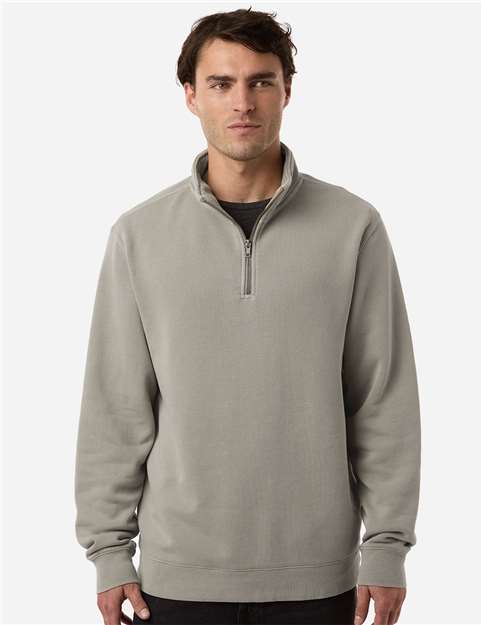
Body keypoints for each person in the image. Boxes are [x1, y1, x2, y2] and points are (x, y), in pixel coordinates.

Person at [74, 7, 421, 625]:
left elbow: (382, 397)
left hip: (320, 577)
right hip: (175, 577)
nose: (243, 102)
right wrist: (109, 552)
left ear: (287, 91)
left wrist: (387, 546)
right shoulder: (139, 235)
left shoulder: (353, 227)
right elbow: (115, 404)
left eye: (261, 81)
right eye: (221, 83)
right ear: (190, 95)